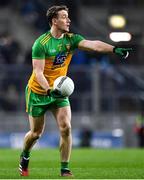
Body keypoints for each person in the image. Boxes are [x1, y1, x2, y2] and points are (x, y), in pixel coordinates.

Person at [19, 5, 132, 177]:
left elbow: (92, 45)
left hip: (59, 93)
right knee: (36, 134)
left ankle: (65, 169)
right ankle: (25, 155)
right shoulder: (40, 44)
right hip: (38, 92)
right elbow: (38, 73)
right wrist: (49, 90)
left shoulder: (71, 40)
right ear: (54, 21)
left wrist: (114, 49)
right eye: (64, 17)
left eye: (68, 16)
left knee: (66, 128)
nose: (68, 20)